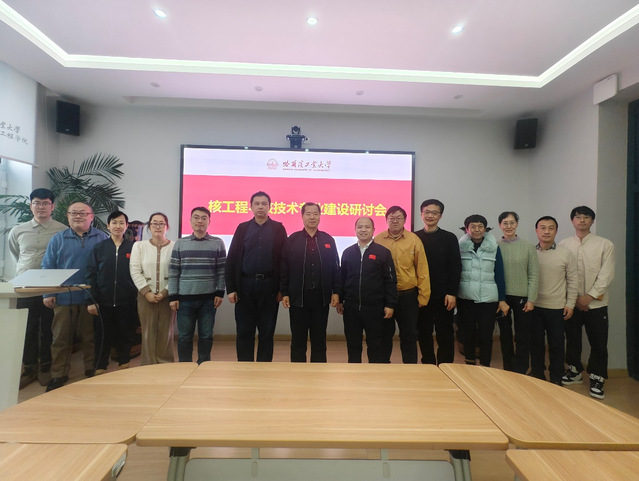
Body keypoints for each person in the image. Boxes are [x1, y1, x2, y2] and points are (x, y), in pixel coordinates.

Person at [41, 202, 109, 391]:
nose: (78, 216)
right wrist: (48, 293)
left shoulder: (102, 238)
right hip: (64, 298)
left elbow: (107, 268)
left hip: (91, 298)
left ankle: (91, 369)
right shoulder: (58, 239)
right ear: (68, 216)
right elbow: (48, 266)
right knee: (60, 338)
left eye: (82, 213)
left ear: (91, 216)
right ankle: (58, 374)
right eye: (74, 213)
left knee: (90, 337)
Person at [8, 188, 67, 388]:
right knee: (27, 328)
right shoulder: (18, 230)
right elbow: (16, 254)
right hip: (24, 286)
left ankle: (45, 367)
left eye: (45, 203)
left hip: (50, 287)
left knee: (48, 328)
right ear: (31, 205)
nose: (41, 207)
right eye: (37, 203)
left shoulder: (62, 230)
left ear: (52, 206)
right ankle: (29, 367)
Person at [559, 206, 615, 399]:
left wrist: (589, 296)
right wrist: (574, 299)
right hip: (571, 303)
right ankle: (574, 370)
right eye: (578, 217)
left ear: (592, 221)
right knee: (572, 338)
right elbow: (562, 273)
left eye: (586, 217)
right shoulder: (564, 244)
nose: (582, 220)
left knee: (598, 341)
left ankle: (597, 378)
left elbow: (606, 275)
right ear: (572, 221)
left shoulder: (605, 244)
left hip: (596, 304)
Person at [226, 191, 287, 362]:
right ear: (251, 206)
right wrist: (231, 288)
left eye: (264, 203)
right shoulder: (242, 228)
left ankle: (263, 368)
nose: (260, 207)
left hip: (269, 287)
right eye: (257, 203)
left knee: (267, 332)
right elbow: (232, 259)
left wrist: (282, 289)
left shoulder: (278, 228)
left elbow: (284, 260)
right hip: (245, 285)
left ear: (270, 206)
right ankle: (244, 367)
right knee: (244, 331)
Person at [280, 202, 341, 362]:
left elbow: (335, 268)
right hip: (298, 298)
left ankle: (318, 372)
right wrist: (285, 292)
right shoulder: (292, 240)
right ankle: (298, 371)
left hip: (321, 298)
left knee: (319, 339)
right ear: (302, 216)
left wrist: (336, 291)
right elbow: (284, 269)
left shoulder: (328, 240)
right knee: (298, 340)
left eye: (315, 213)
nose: (312, 217)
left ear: (320, 216)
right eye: (308, 214)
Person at [168, 207, 226, 364]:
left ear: (209, 221)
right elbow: (174, 271)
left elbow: (222, 271)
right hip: (185, 300)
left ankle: (203, 366)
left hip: (209, 300)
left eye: (204, 218)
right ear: (190, 221)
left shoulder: (218, 243)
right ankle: (185, 367)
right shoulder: (180, 243)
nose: (200, 221)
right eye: (196, 217)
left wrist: (220, 293)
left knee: (206, 336)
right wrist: (173, 296)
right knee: (184, 337)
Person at [337, 216, 397, 363]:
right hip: (351, 308)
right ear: (355, 229)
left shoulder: (383, 252)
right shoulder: (347, 252)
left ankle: (374, 374)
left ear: (373, 230)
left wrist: (390, 304)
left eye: (367, 227)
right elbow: (342, 278)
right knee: (353, 345)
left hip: (375, 309)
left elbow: (390, 280)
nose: (363, 230)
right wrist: (341, 300)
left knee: (375, 345)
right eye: (360, 227)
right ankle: (354, 373)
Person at [374, 205, 430, 363]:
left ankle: (410, 368)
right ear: (386, 220)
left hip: (408, 296)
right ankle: (383, 366)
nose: (395, 221)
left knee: (409, 335)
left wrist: (423, 296)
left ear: (405, 220)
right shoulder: (378, 239)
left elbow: (422, 269)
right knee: (384, 335)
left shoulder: (414, 240)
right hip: (384, 296)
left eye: (399, 218)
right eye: (391, 218)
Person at [85, 210, 138, 374]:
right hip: (103, 301)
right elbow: (91, 275)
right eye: (114, 222)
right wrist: (92, 300)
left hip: (127, 300)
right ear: (108, 226)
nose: (118, 226)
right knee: (102, 335)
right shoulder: (99, 248)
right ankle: (101, 365)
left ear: (126, 226)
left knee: (125, 333)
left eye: (122, 223)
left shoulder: (133, 247)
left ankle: (124, 363)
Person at [530, 216, 578, 385]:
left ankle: (556, 377)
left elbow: (573, 281)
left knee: (557, 345)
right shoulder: (531, 252)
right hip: (534, 306)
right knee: (536, 343)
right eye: (542, 228)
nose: (546, 231)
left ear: (556, 231)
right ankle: (537, 373)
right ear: (536, 231)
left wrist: (570, 304)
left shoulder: (565, 253)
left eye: (551, 228)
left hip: (557, 307)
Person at [457, 214, 509, 367]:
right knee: (468, 333)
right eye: (473, 226)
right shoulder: (460, 248)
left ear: (485, 229)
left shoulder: (494, 248)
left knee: (486, 335)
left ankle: (485, 366)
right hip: (466, 298)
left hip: (488, 299)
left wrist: (501, 299)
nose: (477, 229)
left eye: (480, 226)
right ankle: (470, 365)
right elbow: (455, 271)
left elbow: (499, 274)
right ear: (467, 229)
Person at [414, 199, 461, 365]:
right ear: (421, 214)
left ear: (440, 216)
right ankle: (428, 364)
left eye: (434, 213)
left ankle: (445, 365)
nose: (430, 215)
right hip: (421, 295)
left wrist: (452, 292)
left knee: (445, 333)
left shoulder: (449, 238)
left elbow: (456, 267)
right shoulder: (414, 237)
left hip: (444, 295)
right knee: (423, 332)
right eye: (427, 212)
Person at [129, 212, 176, 365]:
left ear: (167, 227)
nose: (158, 226)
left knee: (166, 332)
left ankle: (165, 364)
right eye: (154, 223)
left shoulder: (175, 246)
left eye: (161, 223)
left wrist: (164, 292)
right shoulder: (139, 246)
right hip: (145, 297)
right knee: (147, 332)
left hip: (168, 296)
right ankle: (148, 364)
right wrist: (146, 292)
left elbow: (177, 271)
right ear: (149, 226)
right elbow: (135, 270)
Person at [497, 211, 539, 373]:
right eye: (505, 223)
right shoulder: (495, 246)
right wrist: (499, 298)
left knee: (523, 335)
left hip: (523, 297)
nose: (509, 226)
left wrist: (531, 299)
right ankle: (508, 369)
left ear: (517, 224)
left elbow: (534, 274)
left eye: (512, 223)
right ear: (500, 225)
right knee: (505, 335)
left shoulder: (528, 246)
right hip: (502, 297)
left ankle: (521, 369)